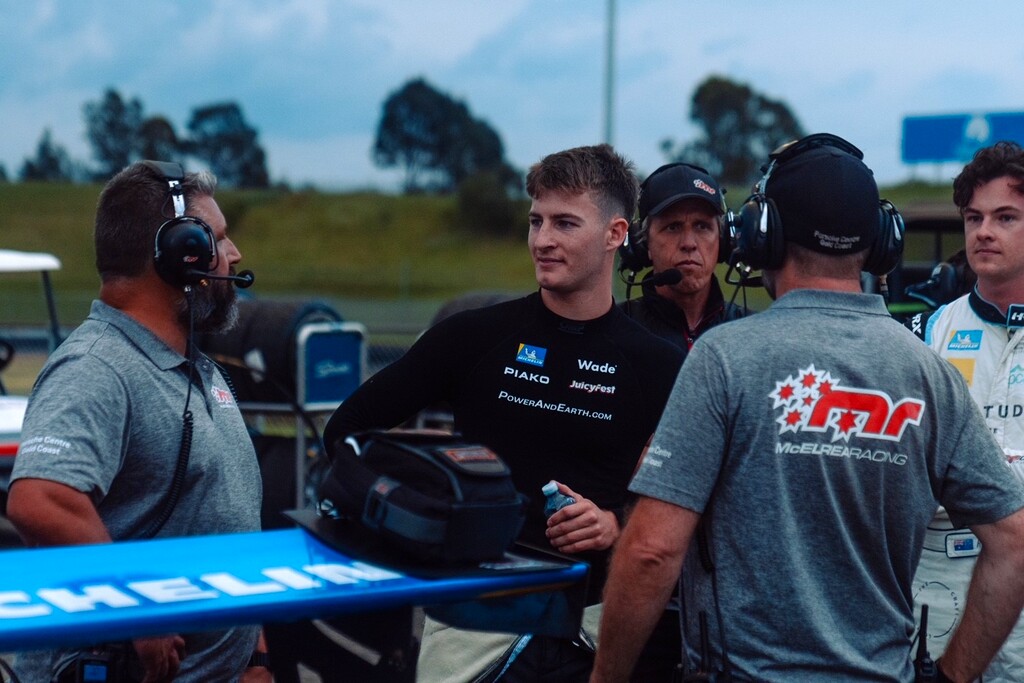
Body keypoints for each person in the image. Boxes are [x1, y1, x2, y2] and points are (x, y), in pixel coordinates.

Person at [590, 133, 1024, 683]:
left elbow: (651, 551)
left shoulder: (723, 360)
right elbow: (1013, 543)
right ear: (883, 241)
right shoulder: (928, 371)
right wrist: (949, 679)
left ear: (762, 235)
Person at [322, 144, 684, 682]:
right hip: (474, 628)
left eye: (565, 223)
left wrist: (615, 526)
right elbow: (346, 433)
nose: (542, 240)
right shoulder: (474, 338)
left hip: (596, 631)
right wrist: (432, 517)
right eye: (536, 221)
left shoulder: (659, 364)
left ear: (615, 234)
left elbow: (691, 505)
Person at [6, 161, 270, 682]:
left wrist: (256, 658)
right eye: (217, 238)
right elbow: (39, 498)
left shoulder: (198, 371)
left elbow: (231, 523)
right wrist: (137, 610)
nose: (234, 255)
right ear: (180, 255)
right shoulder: (97, 366)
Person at [908, 140, 1024, 683]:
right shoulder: (931, 331)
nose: (983, 231)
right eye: (974, 217)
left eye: (1006, 217)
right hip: (942, 589)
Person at [619, 162, 744, 354]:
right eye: (673, 227)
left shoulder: (749, 333)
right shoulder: (616, 330)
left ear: (723, 240)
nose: (689, 243)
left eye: (702, 226)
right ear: (643, 243)